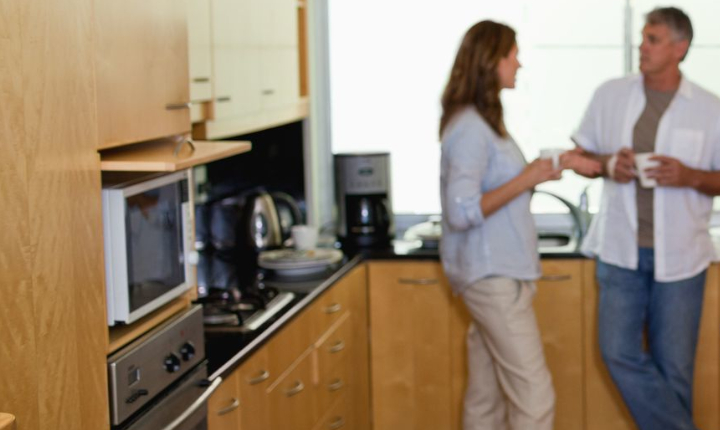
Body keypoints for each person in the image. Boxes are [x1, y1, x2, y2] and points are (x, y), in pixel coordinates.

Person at [439, 20, 601, 430]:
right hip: (492, 276)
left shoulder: (483, 124)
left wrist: (546, 168)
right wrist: (528, 178)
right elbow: (461, 210)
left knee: (486, 395)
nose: (519, 64)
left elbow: (500, 189)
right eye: (513, 54)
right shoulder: (471, 128)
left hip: (495, 273)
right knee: (534, 394)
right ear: (491, 61)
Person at [572, 7, 720, 430]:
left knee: (675, 369)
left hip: (682, 256)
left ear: (680, 47)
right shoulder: (610, 94)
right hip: (620, 251)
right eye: (643, 38)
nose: (643, 47)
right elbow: (580, 156)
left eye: (653, 39)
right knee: (616, 350)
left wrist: (689, 175)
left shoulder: (710, 109)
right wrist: (606, 164)